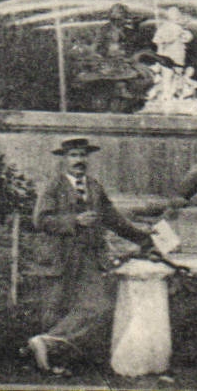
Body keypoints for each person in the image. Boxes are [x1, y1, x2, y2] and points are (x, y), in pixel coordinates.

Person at [28, 137, 155, 376]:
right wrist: (73, 220)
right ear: (64, 159)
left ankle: (47, 343)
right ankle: (53, 363)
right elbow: (40, 220)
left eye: (83, 155)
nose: (79, 161)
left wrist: (144, 238)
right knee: (56, 308)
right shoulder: (53, 187)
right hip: (60, 257)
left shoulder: (95, 187)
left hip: (89, 258)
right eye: (74, 155)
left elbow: (114, 219)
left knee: (97, 306)